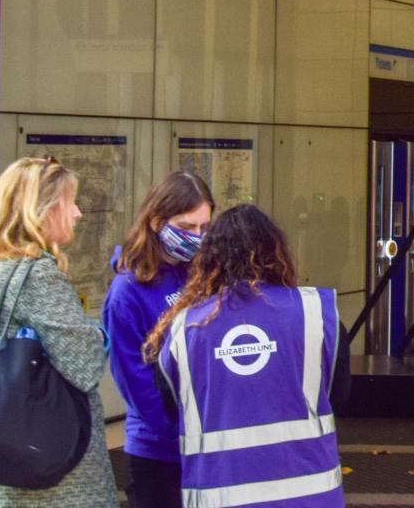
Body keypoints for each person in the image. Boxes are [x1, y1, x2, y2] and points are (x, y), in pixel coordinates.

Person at [149, 205, 348, 508]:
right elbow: (338, 394)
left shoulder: (183, 329)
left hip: (217, 496)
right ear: (276, 252)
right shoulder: (317, 313)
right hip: (310, 496)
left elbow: (175, 409)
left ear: (210, 259)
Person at [0, 157, 115, 507]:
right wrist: (98, 334)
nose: (77, 214)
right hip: (47, 474)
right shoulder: (36, 275)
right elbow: (84, 365)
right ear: (43, 209)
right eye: (70, 203)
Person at [104, 173, 215, 508]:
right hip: (159, 452)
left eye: (204, 227)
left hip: (210, 445)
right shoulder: (127, 292)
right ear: (156, 222)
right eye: (186, 226)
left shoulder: (208, 272)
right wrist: (185, 433)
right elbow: (136, 383)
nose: (197, 237)